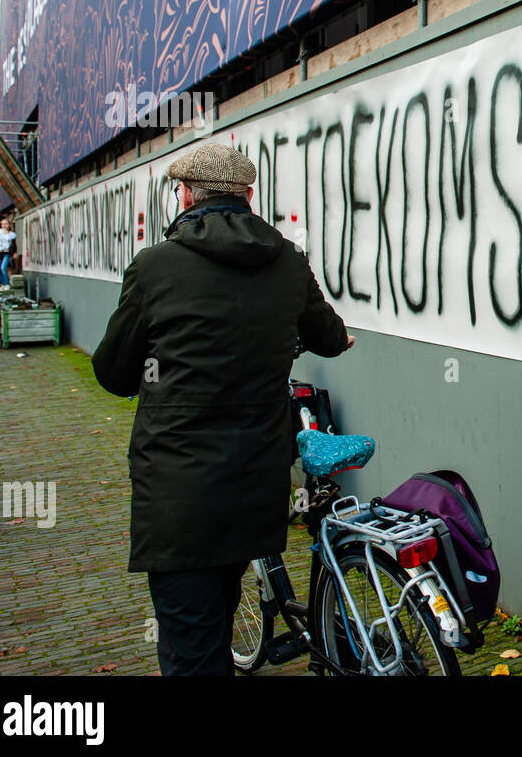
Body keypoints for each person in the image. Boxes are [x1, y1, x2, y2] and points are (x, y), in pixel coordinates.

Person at [92, 142, 355, 676]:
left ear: (186, 195)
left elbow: (114, 375)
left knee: (192, 646)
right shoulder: (287, 262)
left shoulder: (154, 267)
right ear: (249, 197)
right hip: (254, 486)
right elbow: (327, 338)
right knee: (218, 611)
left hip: (179, 500)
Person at [0, 216, 16, 287]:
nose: (4, 226)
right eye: (3, 224)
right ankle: (2, 282)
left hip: (6, 252)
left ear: (9, 225)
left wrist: (14, 252)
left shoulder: (11, 234)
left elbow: (14, 244)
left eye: (6, 224)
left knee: (3, 268)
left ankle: (6, 283)